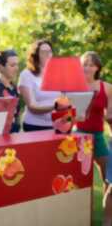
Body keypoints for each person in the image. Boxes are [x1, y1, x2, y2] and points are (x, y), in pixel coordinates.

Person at [74, 52, 112, 225]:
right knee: (80, 180)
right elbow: (66, 115)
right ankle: (83, 217)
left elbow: (110, 116)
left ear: (97, 67)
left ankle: (107, 216)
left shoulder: (107, 87)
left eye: (91, 64)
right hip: (79, 135)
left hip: (97, 136)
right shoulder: (75, 86)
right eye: (84, 64)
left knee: (108, 177)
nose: (87, 68)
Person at [18, 40, 60, 131]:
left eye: (50, 51)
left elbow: (66, 97)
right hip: (35, 125)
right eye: (44, 52)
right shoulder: (26, 75)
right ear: (36, 56)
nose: (48, 55)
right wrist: (55, 107)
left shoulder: (57, 73)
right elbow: (32, 107)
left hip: (57, 124)